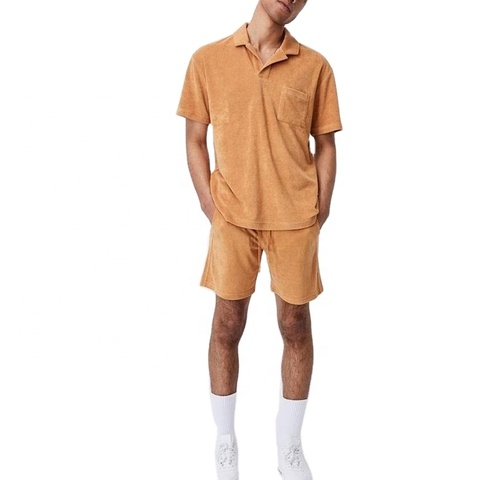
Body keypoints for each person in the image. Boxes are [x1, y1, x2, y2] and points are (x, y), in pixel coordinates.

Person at [176, 0, 342, 478]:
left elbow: (326, 142)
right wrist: (209, 203)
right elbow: (194, 137)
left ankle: (289, 444)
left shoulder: (316, 67)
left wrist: (321, 205)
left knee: (295, 324)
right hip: (232, 216)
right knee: (228, 322)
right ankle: (225, 441)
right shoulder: (207, 59)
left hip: (295, 217)